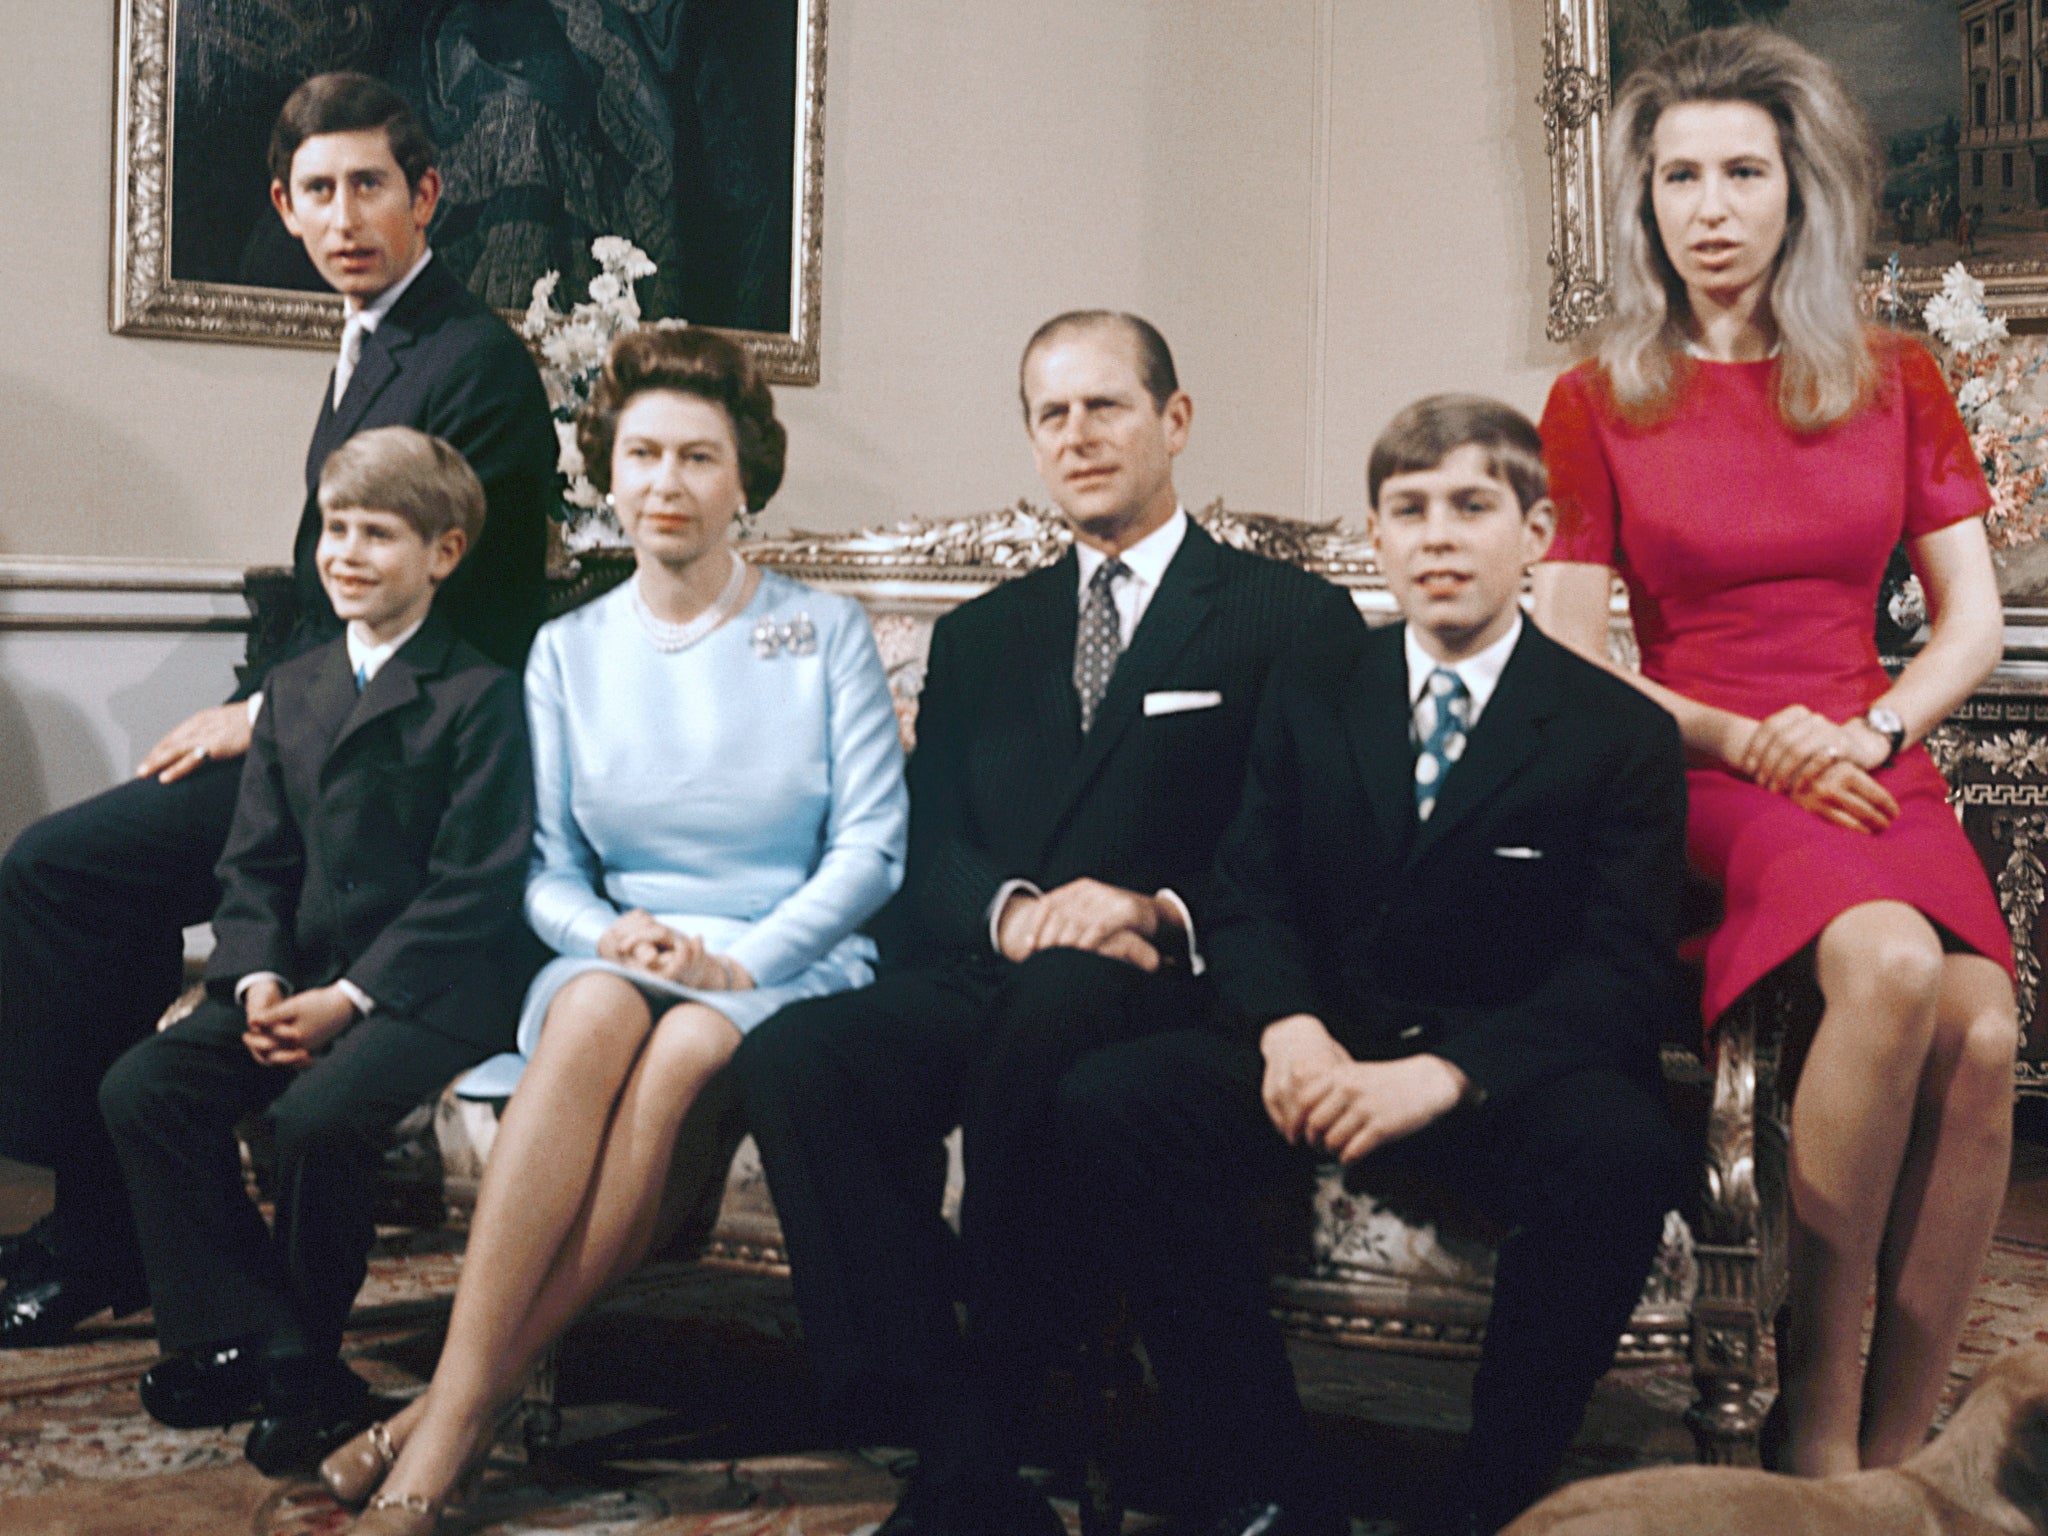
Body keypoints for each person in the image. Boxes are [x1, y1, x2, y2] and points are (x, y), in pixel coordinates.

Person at [733, 311, 1363, 1536]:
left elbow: (1311, 851)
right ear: (1030, 440)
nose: (1077, 436)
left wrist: (1152, 907)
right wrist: (1010, 914)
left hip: (1183, 975)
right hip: (1004, 968)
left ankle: (980, 1443)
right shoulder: (984, 636)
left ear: (1173, 422)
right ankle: (938, 1392)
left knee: (1068, 1006)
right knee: (796, 1057)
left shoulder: (1288, 620)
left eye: (1105, 406)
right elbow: (924, 841)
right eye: (1050, 414)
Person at [1056, 397, 1690, 1536]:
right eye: (1409, 510)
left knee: (1621, 1151)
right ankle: (1263, 1479)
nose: (1437, 538)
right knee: (1114, 1101)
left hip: (1501, 1075)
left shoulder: (1615, 733)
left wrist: (1444, 1075)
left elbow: (1618, 974)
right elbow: (1248, 893)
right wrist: (1288, 1030)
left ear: (1535, 533)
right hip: (1325, 1046)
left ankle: (1493, 1497)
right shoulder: (1314, 688)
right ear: (1375, 537)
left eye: (1469, 507)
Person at [1530, 26, 2019, 1480]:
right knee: (1888, 964)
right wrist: (1754, 741)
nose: (1712, 206)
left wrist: (1866, 729)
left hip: (1870, 755)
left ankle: (1890, 1462)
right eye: (1680, 175)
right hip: (1695, 766)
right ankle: (1812, 1433)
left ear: (1797, 192)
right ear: (1646, 200)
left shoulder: (1896, 375)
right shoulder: (1595, 396)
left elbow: (1972, 620)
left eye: (1743, 171)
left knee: (1987, 1035)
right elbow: (1567, 662)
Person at [322, 326, 908, 1535]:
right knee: (591, 1007)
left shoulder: (825, 632)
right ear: (607, 470)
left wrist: (735, 961)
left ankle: (442, 1420)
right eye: (641, 453)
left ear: (747, 474)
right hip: (620, 949)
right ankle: (461, 1411)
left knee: (691, 1045)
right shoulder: (566, 650)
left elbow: (870, 853)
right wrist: (612, 937)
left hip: (780, 959)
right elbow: (544, 872)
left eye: (699, 456)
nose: (666, 484)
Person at [0, 71, 554, 1347]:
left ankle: (103, 1235)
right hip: (317, 723)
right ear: (284, 209)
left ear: (427, 196)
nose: (346, 215)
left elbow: (477, 617)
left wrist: (262, 719)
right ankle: (114, 1223)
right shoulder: (374, 338)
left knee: (57, 874)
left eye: (371, 185)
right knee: (74, 881)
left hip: (396, 766)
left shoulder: (473, 362)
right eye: (320, 192)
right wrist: (262, 702)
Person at [98, 427, 538, 1476]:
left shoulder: (481, 697)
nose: (345, 553)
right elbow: (251, 869)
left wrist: (348, 999)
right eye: (335, 529)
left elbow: (474, 890)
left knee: (317, 1118)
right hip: (290, 977)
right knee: (143, 1087)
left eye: (377, 533)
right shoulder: (293, 692)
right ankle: (253, 1337)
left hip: (428, 986)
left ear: (444, 552)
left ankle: (297, 1361)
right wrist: (255, 979)